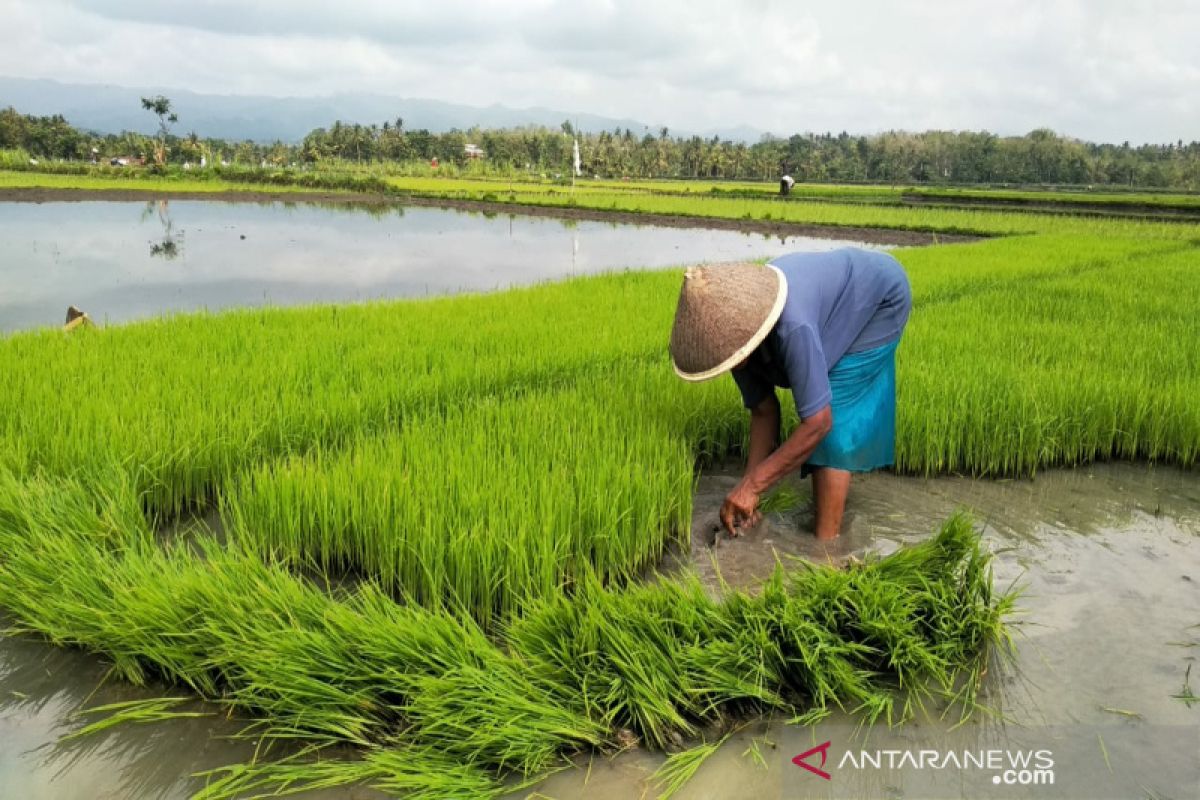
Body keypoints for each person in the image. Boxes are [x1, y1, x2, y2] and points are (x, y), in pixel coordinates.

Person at [668, 248, 911, 540]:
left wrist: (753, 486)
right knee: (816, 405)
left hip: (878, 300)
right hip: (829, 300)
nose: (730, 365)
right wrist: (748, 488)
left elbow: (819, 423)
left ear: (747, 332)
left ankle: (825, 550)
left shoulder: (792, 327)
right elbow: (763, 410)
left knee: (835, 418)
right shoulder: (733, 337)